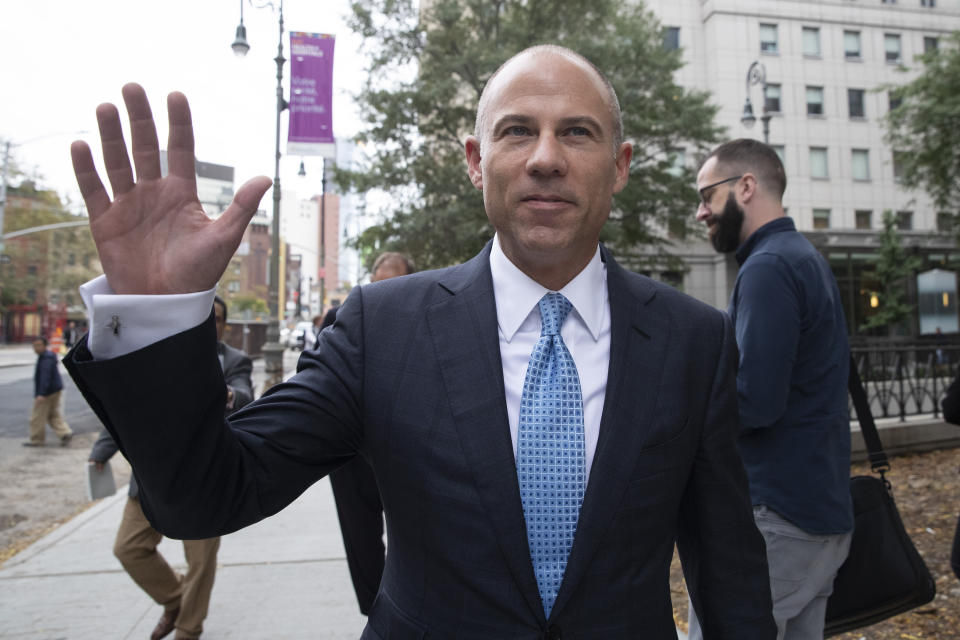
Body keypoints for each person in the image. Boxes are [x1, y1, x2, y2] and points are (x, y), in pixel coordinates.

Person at [64, 46, 776, 637]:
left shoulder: (694, 342)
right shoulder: (384, 327)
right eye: (517, 130)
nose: (545, 158)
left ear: (619, 166)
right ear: (476, 158)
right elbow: (201, 498)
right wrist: (157, 314)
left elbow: (729, 570)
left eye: (578, 133)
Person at [689, 139, 853, 639]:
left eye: (706, 195)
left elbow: (753, 401)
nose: (701, 212)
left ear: (745, 186)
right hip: (817, 513)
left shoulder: (769, 267)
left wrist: (679, 411)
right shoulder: (802, 257)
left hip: (777, 517)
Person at [87, 296, 252, 640]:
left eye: (216, 318)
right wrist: (102, 451)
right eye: (202, 316)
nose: (209, 323)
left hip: (205, 481)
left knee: (201, 563)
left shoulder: (235, 360)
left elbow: (247, 396)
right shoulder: (159, 352)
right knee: (129, 549)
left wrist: (229, 395)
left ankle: (188, 631)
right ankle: (177, 600)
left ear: (224, 326)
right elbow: (124, 407)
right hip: (152, 477)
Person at [328, 251, 414, 615]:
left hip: (407, 448)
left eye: (394, 282)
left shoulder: (427, 317)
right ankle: (377, 613)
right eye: (378, 283)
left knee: (414, 537)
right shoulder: (345, 317)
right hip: (352, 451)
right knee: (361, 540)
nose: (385, 291)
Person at [24, 336, 73, 447]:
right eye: (34, 346)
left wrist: (41, 393)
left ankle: (37, 440)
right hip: (55, 389)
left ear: (45, 346)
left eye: (38, 345)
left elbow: (45, 377)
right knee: (52, 415)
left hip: (48, 392)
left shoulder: (46, 359)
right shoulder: (47, 356)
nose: (36, 348)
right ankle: (65, 433)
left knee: (37, 416)